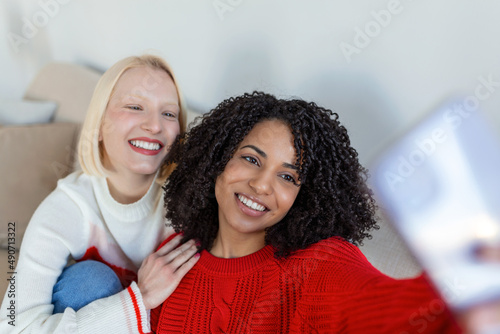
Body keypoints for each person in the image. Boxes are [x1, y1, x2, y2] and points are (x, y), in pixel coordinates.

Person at [150, 91, 497, 333]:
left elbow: (383, 311)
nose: (261, 185)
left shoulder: (319, 265)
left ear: (305, 194)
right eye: (251, 159)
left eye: (287, 176)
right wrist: (138, 299)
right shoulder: (172, 259)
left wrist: (464, 285)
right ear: (217, 162)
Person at [0, 55, 199, 333]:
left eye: (168, 113)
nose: (155, 125)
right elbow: (13, 327)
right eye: (135, 106)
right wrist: (139, 299)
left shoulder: (194, 196)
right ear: (100, 124)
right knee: (90, 281)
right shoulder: (68, 206)